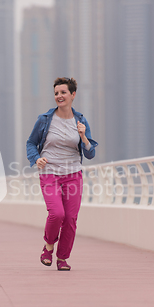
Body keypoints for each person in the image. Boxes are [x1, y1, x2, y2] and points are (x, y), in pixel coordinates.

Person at [26, 77, 98, 271]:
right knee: (57, 213)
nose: (59, 96)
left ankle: (63, 258)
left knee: (71, 218)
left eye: (63, 92)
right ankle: (48, 246)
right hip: (49, 172)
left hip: (73, 174)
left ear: (73, 95)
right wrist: (36, 159)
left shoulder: (81, 121)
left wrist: (83, 136)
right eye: (56, 93)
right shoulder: (45, 119)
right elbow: (31, 143)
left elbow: (90, 153)